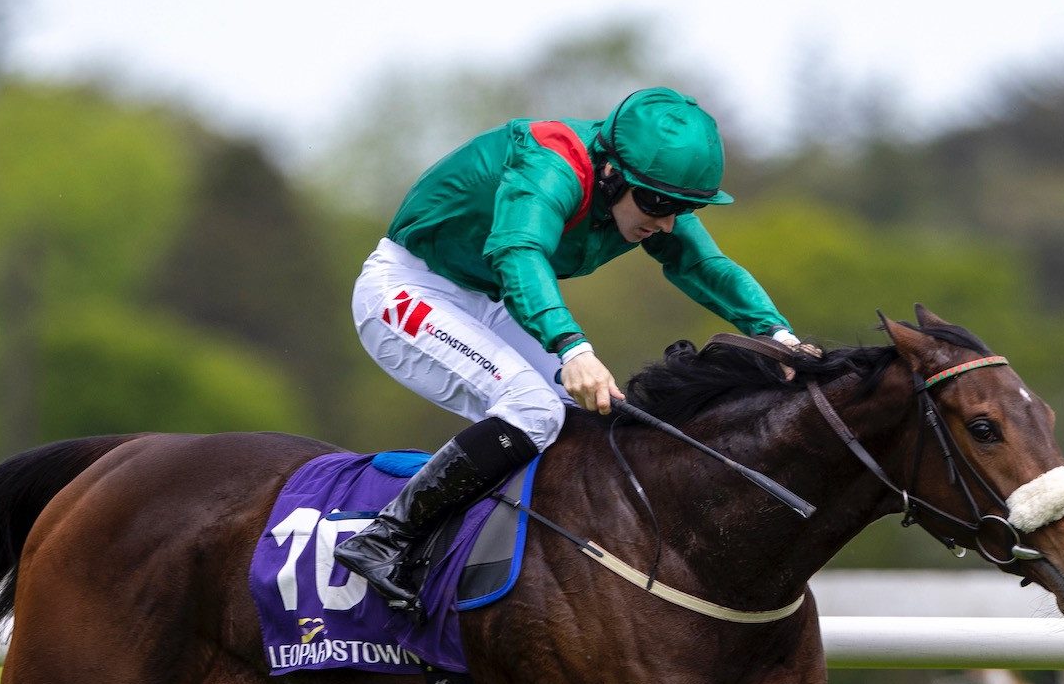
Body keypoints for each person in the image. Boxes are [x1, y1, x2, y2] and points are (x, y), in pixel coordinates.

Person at [335, 86, 815, 613]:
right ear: (610, 173)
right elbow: (518, 251)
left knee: (580, 421)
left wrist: (779, 336)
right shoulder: (550, 165)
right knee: (533, 411)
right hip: (407, 289)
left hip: (487, 299)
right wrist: (572, 347)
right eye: (657, 204)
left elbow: (703, 265)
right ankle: (386, 537)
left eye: (683, 208)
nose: (666, 222)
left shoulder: (642, 187)